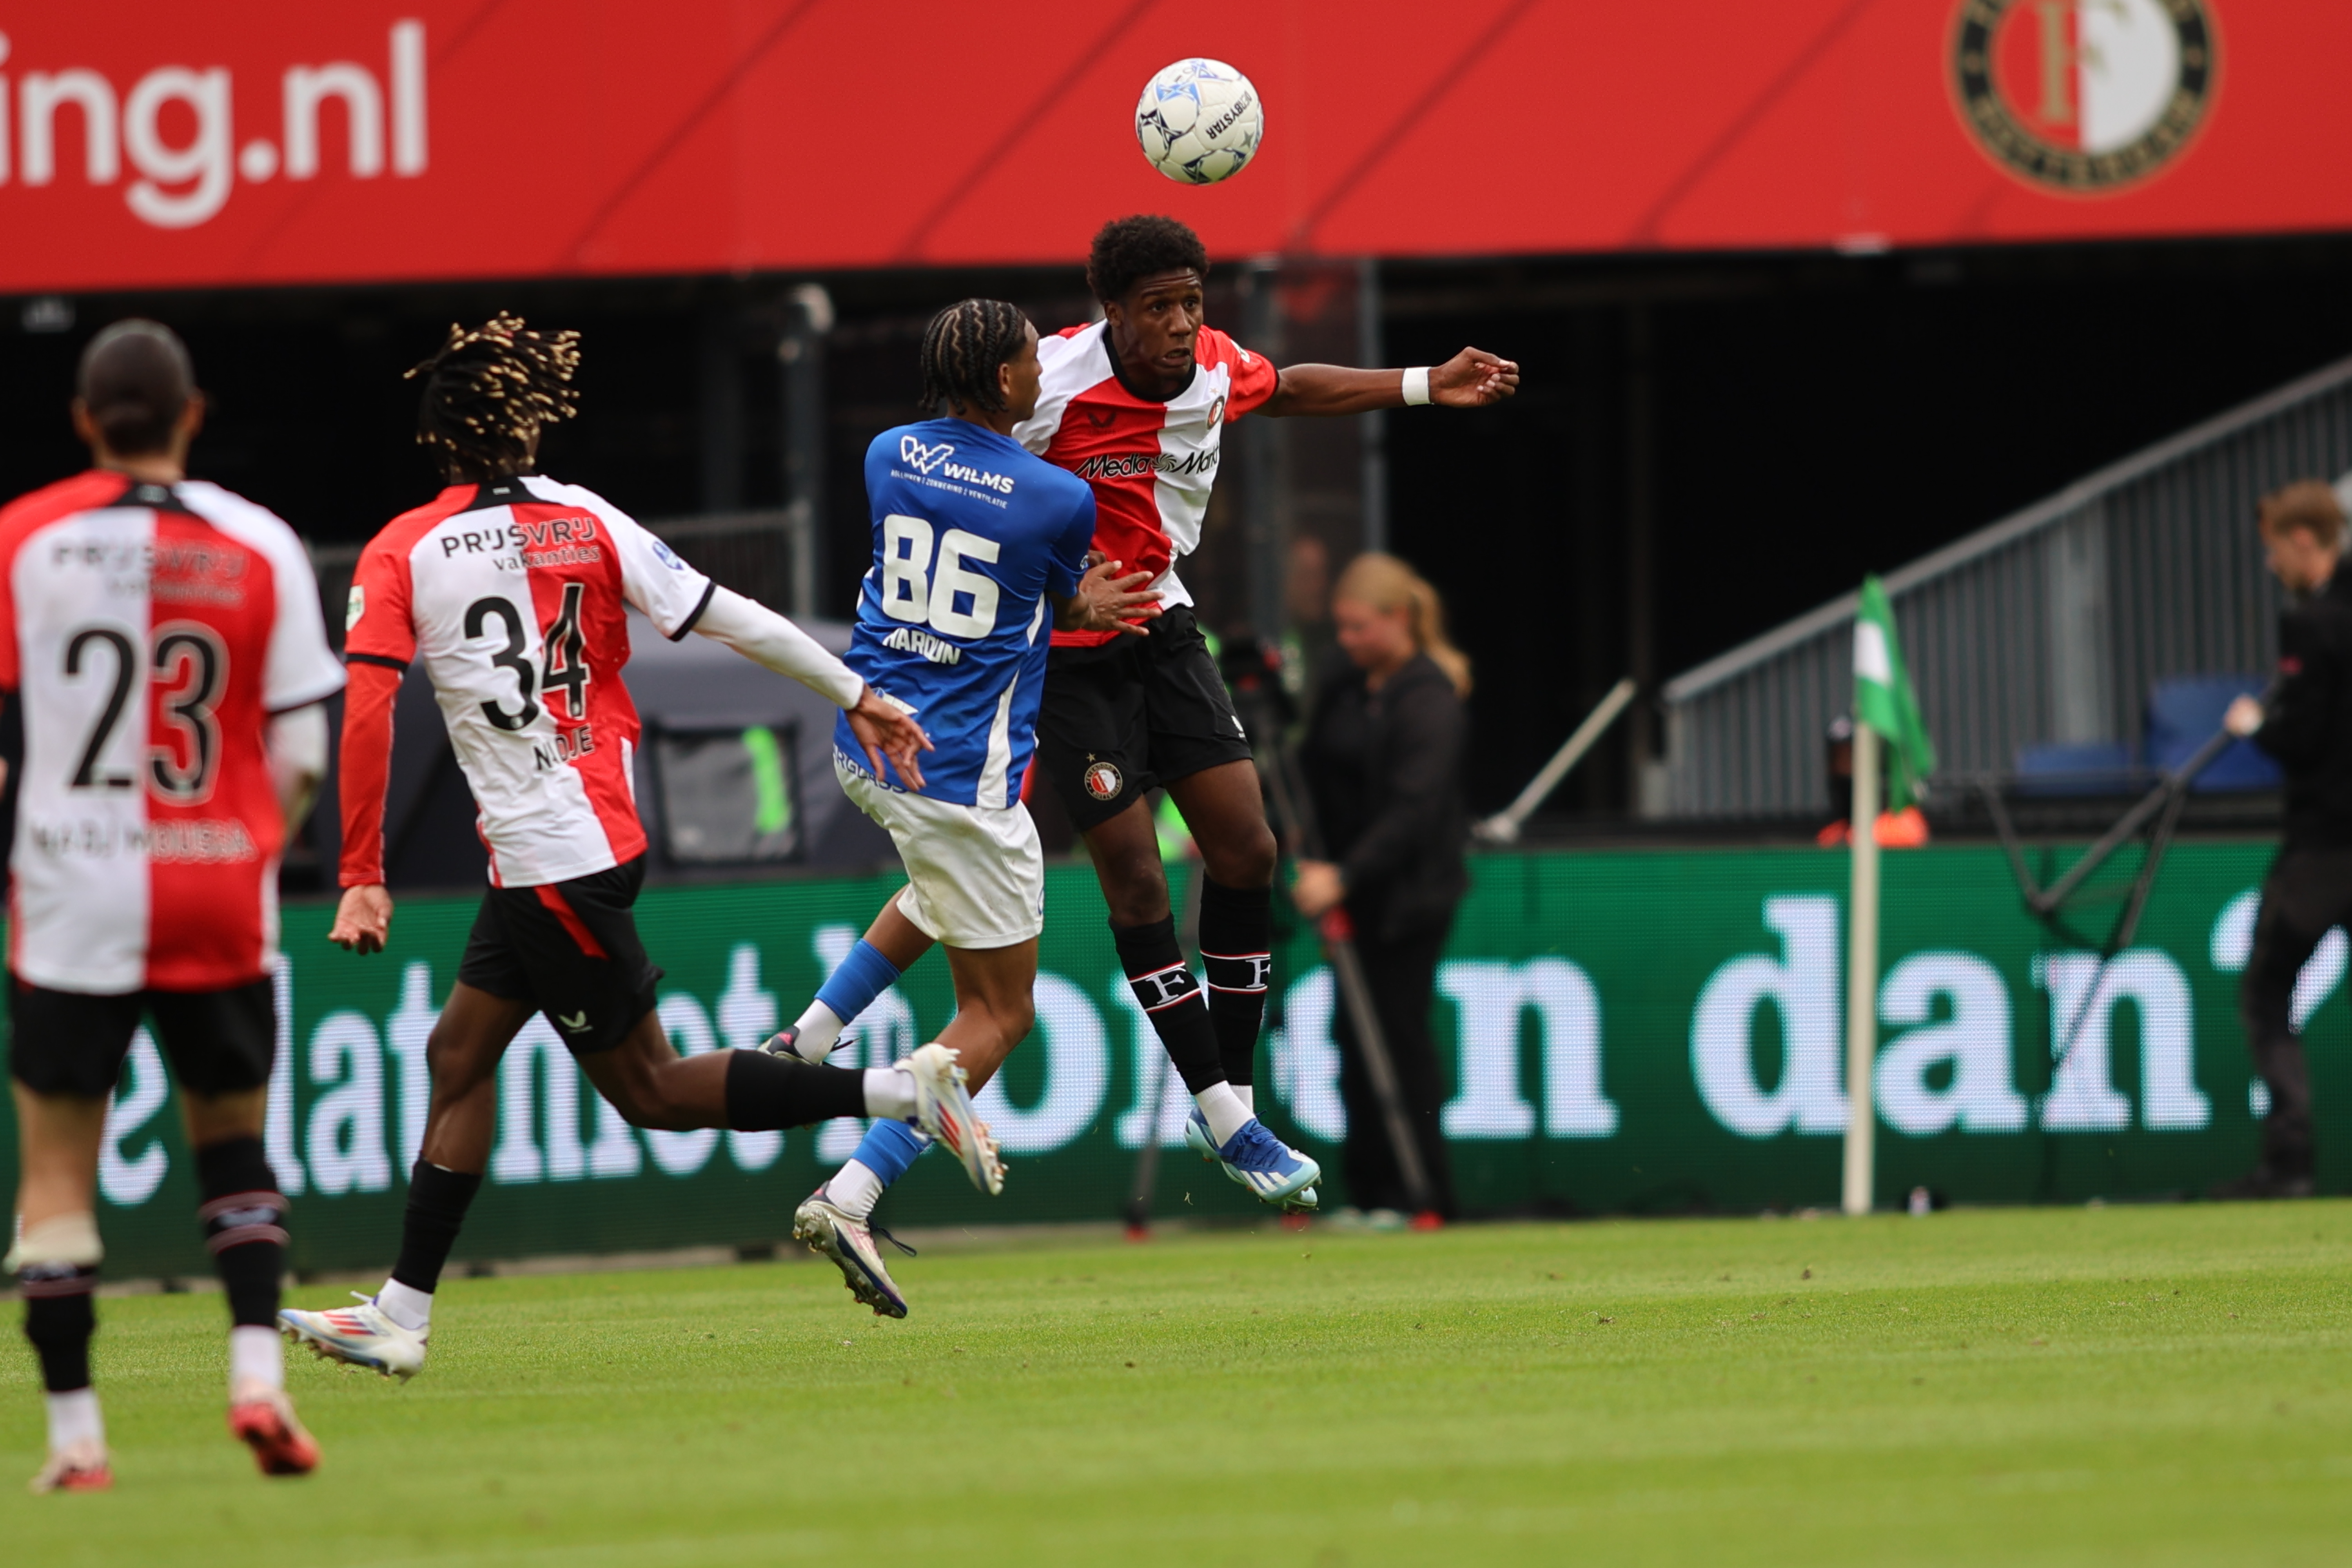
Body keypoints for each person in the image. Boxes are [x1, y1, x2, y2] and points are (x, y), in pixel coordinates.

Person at [277, 315, 998, 1379]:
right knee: (457, 1056)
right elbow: (735, 619)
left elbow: (369, 713)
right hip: (581, 838)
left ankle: (898, 1094)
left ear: (438, 444)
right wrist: (860, 693)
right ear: (526, 429)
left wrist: (359, 877)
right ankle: (401, 1312)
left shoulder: (404, 548)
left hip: (549, 856)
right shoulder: (587, 518)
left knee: (652, 1093)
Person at [774, 215, 1520, 1219]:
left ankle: (1234, 1103)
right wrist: (1053, 596)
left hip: (1162, 633)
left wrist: (1428, 382)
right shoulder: (1051, 388)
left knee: (1248, 848)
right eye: (1159, 307)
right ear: (1112, 313)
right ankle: (1214, 1106)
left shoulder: (1216, 370)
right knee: (1131, 876)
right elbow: (976, 487)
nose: (1180, 325)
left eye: (1192, 303)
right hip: (1069, 665)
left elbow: (1288, 385)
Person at [4, 321, 345, 1490]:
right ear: (194, 415)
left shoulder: (21, 541)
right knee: (235, 1141)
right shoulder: (260, 543)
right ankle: (258, 1379)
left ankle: (76, 1441)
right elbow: (302, 749)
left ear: (86, 423)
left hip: (66, 893)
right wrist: (251, 848)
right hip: (213, 886)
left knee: (56, 1175)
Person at [769, 300, 1161, 1317]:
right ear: (1002, 382)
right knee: (1001, 1014)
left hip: (867, 746)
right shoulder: (1056, 495)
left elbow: (987, 567)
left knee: (929, 890)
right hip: (962, 783)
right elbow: (1050, 590)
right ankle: (852, 1193)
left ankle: (808, 1040)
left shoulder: (887, 452)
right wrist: (1094, 608)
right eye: (1034, 360)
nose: (1045, 372)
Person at [1294, 554, 1472, 1223]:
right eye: (1339, 628)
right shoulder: (1345, 687)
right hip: (1353, 899)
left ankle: (1420, 1190)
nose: (1346, 641)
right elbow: (1310, 770)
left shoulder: (1429, 697)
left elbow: (1415, 810)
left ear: (1399, 620)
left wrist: (1345, 874)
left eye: (1359, 627)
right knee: (1353, 1039)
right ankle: (1371, 1191)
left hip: (1408, 899)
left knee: (1399, 1036)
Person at [2215, 479, 2352, 1200]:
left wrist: (2254, 726)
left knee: (2268, 993)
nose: (2272, 565)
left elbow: (2304, 739)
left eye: (2275, 550)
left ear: (2304, 542)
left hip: (2326, 850)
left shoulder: (2311, 624)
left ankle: (2290, 1162)